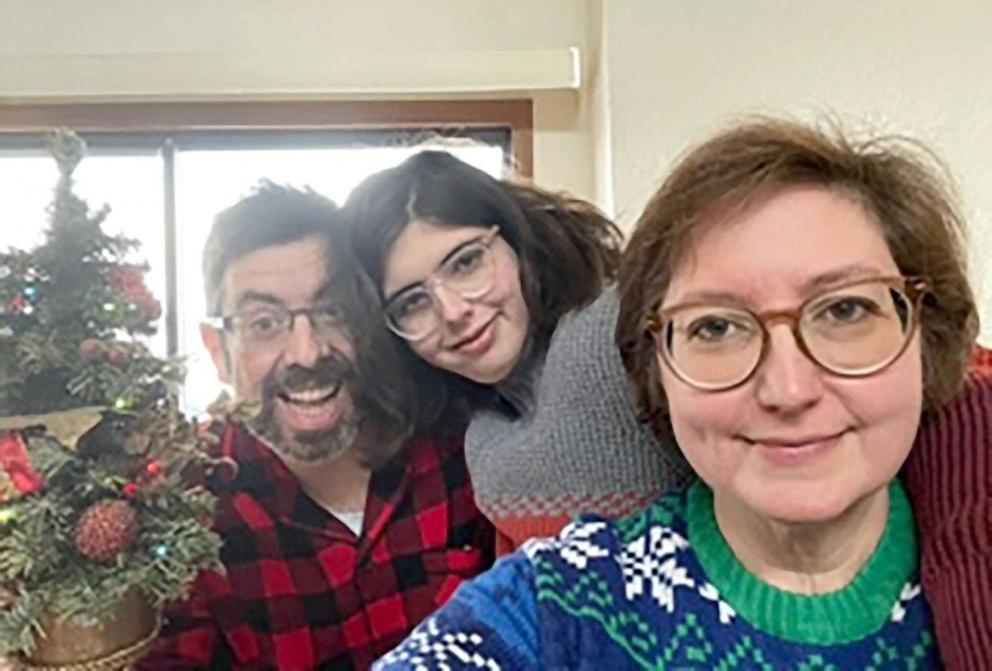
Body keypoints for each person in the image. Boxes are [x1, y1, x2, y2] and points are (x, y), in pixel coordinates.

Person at [374, 119, 981, 668]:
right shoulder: (556, 596)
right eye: (715, 327)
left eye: (846, 310)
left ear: (929, 336)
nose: (788, 389)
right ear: (653, 369)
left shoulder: (964, 524)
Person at [138, 184, 494, 669]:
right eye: (264, 323)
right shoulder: (183, 515)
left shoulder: (460, 442)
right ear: (219, 350)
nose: (307, 353)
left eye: (332, 312)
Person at [345, 151, 691, 554]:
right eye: (411, 303)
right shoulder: (474, 435)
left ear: (514, 239)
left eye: (466, 262)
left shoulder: (619, 330)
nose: (454, 312)